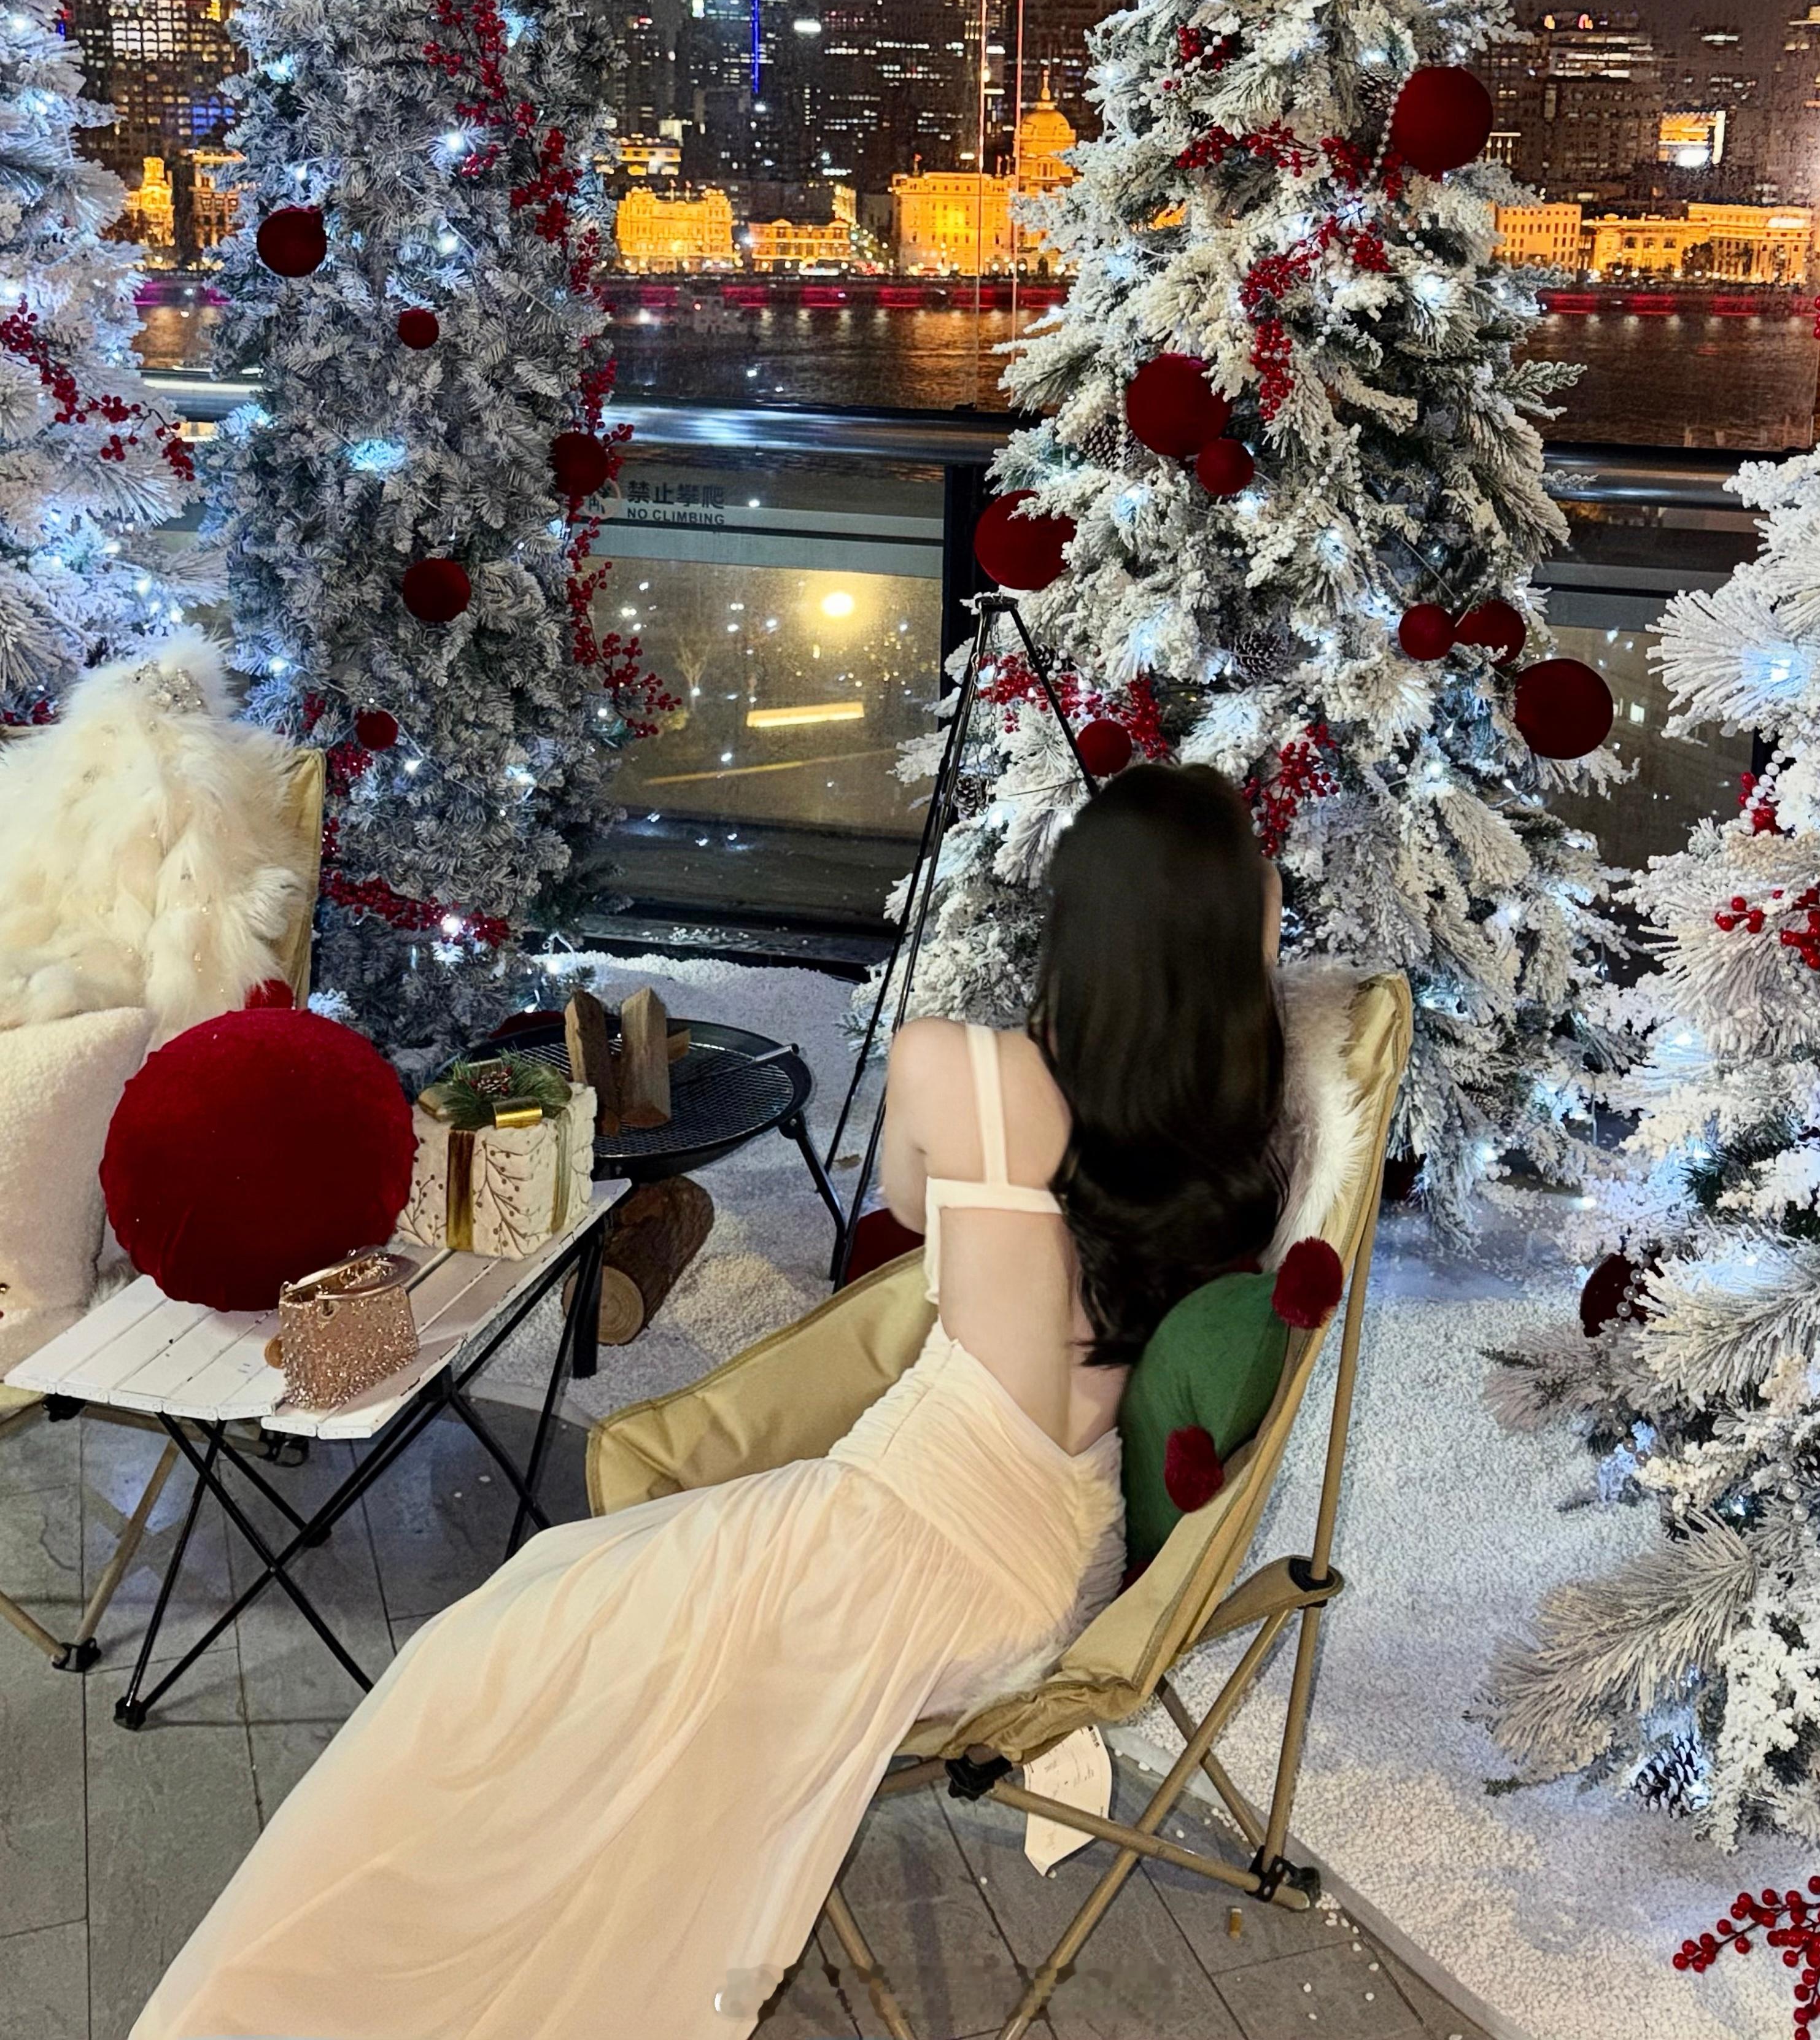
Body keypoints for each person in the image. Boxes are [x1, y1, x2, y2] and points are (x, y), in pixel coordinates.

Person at [131, 763, 1287, 2040]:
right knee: (555, 1627)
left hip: (905, 1543)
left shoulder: (970, 1070)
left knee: (488, 1669)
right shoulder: (1221, 1141)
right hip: (1054, 1561)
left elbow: (906, 1198)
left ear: (1085, 929)